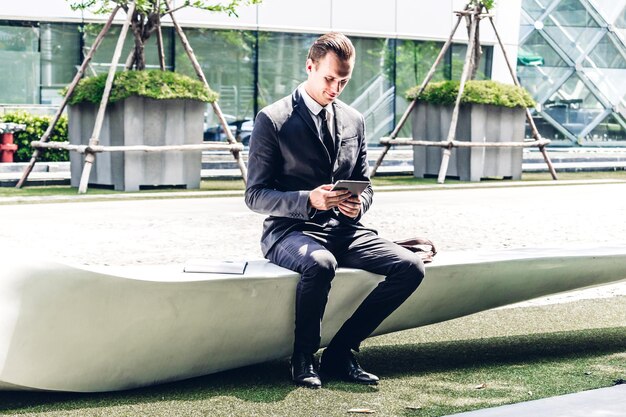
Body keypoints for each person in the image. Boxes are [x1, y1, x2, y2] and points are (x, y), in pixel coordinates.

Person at [245, 32, 425, 389]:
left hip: (343, 229)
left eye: (343, 81)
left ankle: (341, 351)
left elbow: (365, 183)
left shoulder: (354, 120)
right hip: (289, 232)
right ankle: (302, 357)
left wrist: (358, 204)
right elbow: (255, 195)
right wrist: (306, 200)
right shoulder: (273, 119)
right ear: (310, 67)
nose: (336, 87)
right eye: (329, 78)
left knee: (411, 267)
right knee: (320, 263)